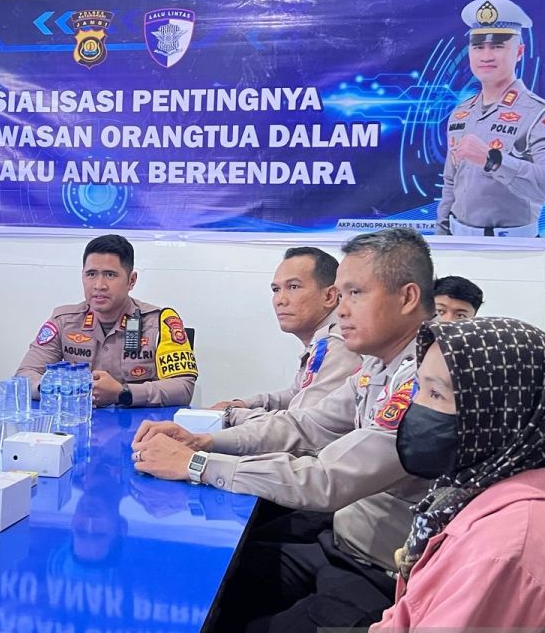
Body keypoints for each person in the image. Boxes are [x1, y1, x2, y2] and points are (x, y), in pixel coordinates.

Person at [133, 227, 433, 631]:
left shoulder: (427, 380)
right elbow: (304, 424)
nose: (342, 308)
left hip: (381, 573)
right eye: (341, 294)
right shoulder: (378, 365)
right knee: (205, 580)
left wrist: (196, 464)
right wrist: (205, 440)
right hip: (341, 541)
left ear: (408, 297)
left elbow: (327, 479)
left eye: (355, 293)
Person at [372, 317, 545, 631]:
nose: (414, 408)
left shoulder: (503, 552)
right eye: (421, 388)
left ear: (503, 416)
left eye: (436, 394)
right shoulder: (473, 495)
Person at [16, 234, 197, 408]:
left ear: (131, 280)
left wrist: (123, 393)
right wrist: (57, 388)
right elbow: (24, 376)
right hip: (80, 420)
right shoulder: (63, 321)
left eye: (110, 275)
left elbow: (183, 387)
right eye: (91, 274)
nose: (99, 285)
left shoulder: (159, 324)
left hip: (142, 426)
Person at [437, 0, 545, 237]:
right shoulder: (461, 113)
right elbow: (451, 182)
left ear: (519, 52)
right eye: (478, 47)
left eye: (497, 46)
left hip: (513, 247)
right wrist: (441, 235)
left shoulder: (539, 113)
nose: (486, 56)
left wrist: (493, 160)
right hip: (458, 241)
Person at [209, 246, 361, 426]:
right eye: (275, 289)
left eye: (293, 287)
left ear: (329, 296)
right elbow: (297, 393)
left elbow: (300, 426)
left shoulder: (339, 344)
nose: (280, 300)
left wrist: (231, 415)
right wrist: (245, 404)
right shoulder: (322, 340)